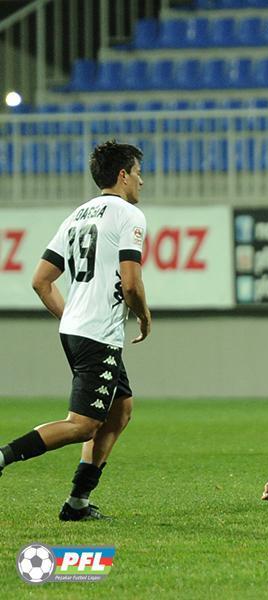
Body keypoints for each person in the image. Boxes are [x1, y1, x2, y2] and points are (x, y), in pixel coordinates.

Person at [0, 140, 151, 521]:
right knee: (83, 426)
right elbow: (131, 284)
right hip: (98, 334)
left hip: (77, 329)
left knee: (120, 409)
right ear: (123, 175)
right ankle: (3, 456)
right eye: (138, 173)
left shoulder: (77, 215)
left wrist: (72, 317)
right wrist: (145, 317)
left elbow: (40, 280)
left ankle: (78, 502)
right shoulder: (129, 215)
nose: (141, 181)